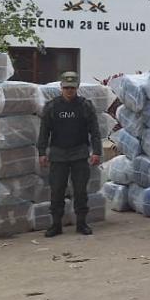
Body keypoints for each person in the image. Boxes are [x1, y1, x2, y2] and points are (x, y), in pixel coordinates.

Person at [37, 71, 103, 237]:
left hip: (79, 154)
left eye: (72, 88)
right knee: (57, 191)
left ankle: (81, 223)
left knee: (80, 191)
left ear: (77, 88)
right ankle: (56, 225)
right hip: (58, 154)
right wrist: (42, 152)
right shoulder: (52, 106)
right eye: (66, 87)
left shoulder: (85, 106)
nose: (69, 91)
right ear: (61, 87)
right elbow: (44, 131)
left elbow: (94, 131)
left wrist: (96, 151)